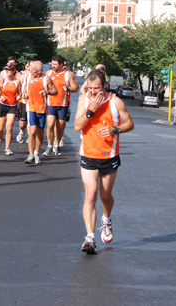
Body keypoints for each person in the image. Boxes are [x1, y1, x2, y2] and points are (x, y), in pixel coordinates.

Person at [74, 70, 134, 254]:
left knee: (105, 196)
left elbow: (129, 124)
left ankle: (106, 220)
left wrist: (115, 130)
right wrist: (91, 109)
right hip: (88, 154)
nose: (93, 92)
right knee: (90, 195)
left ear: (104, 86)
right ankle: (90, 238)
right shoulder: (84, 100)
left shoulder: (115, 101)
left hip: (109, 156)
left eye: (96, 88)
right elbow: (77, 126)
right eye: (90, 88)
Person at [23, 61, 57, 165]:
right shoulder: (28, 77)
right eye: (30, 69)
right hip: (31, 107)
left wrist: (47, 92)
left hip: (42, 109)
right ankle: (30, 155)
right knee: (32, 130)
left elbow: (55, 91)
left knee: (39, 132)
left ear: (39, 71)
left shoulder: (46, 78)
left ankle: (36, 152)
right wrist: (24, 93)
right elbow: (25, 88)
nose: (30, 71)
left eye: (32, 70)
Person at [44, 55, 79, 155]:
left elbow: (75, 87)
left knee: (60, 126)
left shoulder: (68, 74)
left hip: (63, 104)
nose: (53, 66)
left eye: (55, 64)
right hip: (51, 103)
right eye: (52, 64)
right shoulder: (49, 73)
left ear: (61, 64)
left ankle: (57, 144)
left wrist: (68, 89)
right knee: (50, 124)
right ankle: (49, 145)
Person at [0, 62, 21, 155]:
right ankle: (0, 139)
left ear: (13, 71)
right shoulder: (2, 79)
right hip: (2, 105)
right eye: (6, 69)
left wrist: (19, 96)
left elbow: (20, 93)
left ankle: (7, 147)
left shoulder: (17, 82)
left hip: (12, 106)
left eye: (9, 69)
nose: (7, 71)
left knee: (9, 127)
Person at [16, 59, 33, 144]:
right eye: (27, 66)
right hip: (23, 101)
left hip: (33, 101)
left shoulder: (36, 75)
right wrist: (19, 94)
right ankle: (22, 131)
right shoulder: (23, 75)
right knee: (23, 121)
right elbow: (18, 86)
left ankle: (30, 137)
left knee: (31, 121)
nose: (29, 68)